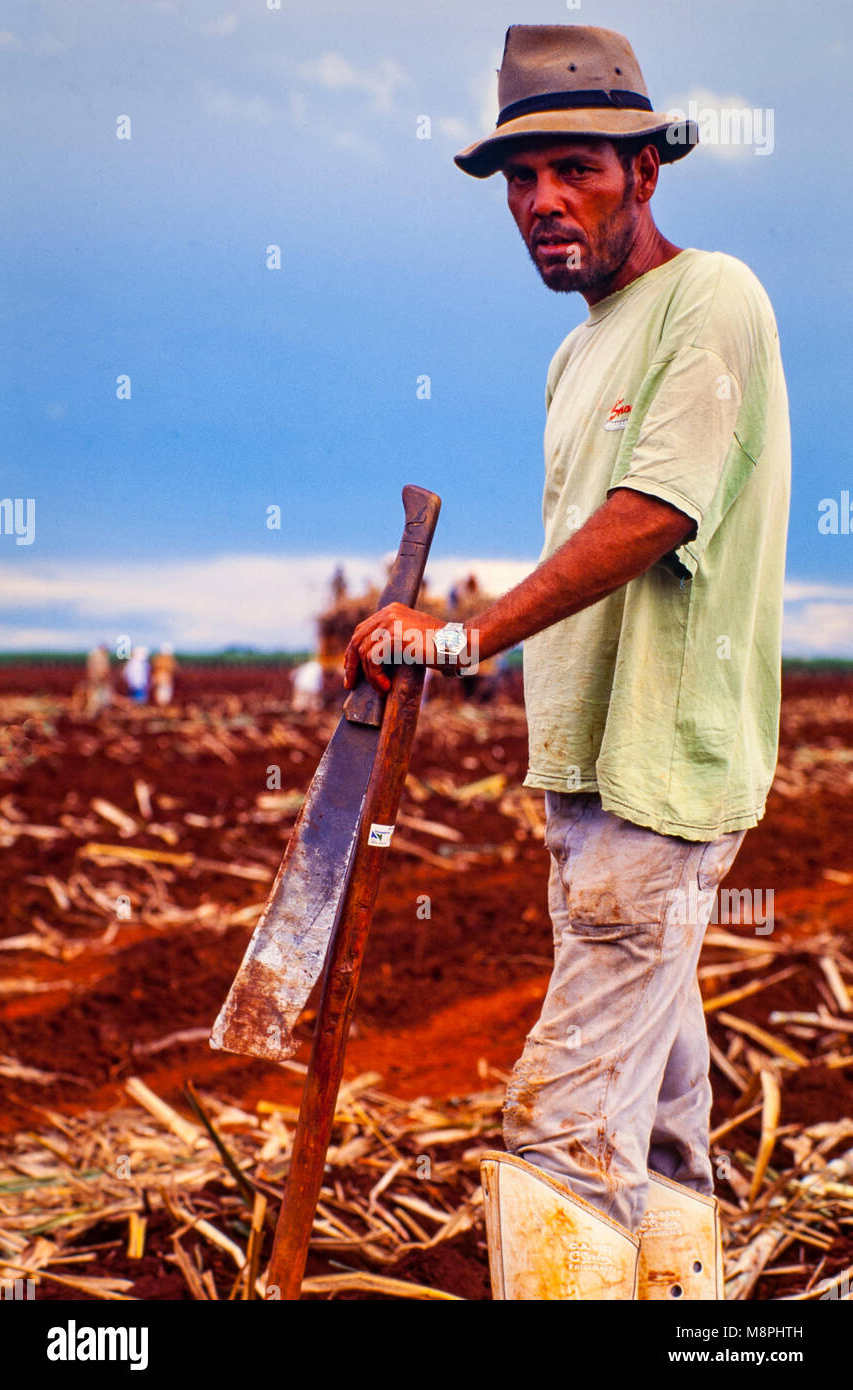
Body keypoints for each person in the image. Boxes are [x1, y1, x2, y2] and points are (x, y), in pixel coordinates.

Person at [344, 24, 790, 1300]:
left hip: (664, 771)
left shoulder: (712, 297)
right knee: (652, 1116)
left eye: (577, 170)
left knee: (558, 1129)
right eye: (520, 180)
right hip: (589, 781)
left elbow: (653, 513)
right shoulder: (573, 351)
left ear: (645, 172)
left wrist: (465, 635)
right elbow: (596, 544)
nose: (543, 201)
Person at [84, 643, 112, 717]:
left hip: (97, 680)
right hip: (98, 680)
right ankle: (91, 714)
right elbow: (102, 670)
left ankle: (97, 713)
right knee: (97, 697)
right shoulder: (100, 657)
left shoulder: (95, 656)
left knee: (101, 696)